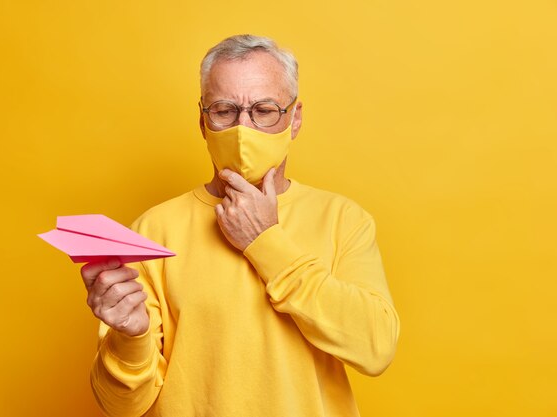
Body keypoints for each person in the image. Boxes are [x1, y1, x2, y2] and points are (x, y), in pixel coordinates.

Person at [80, 34, 400, 417]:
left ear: (294, 118)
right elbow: (121, 406)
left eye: (264, 110)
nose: (243, 129)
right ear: (202, 121)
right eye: (224, 110)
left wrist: (265, 242)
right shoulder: (152, 230)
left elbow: (376, 347)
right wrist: (129, 338)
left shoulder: (343, 220)